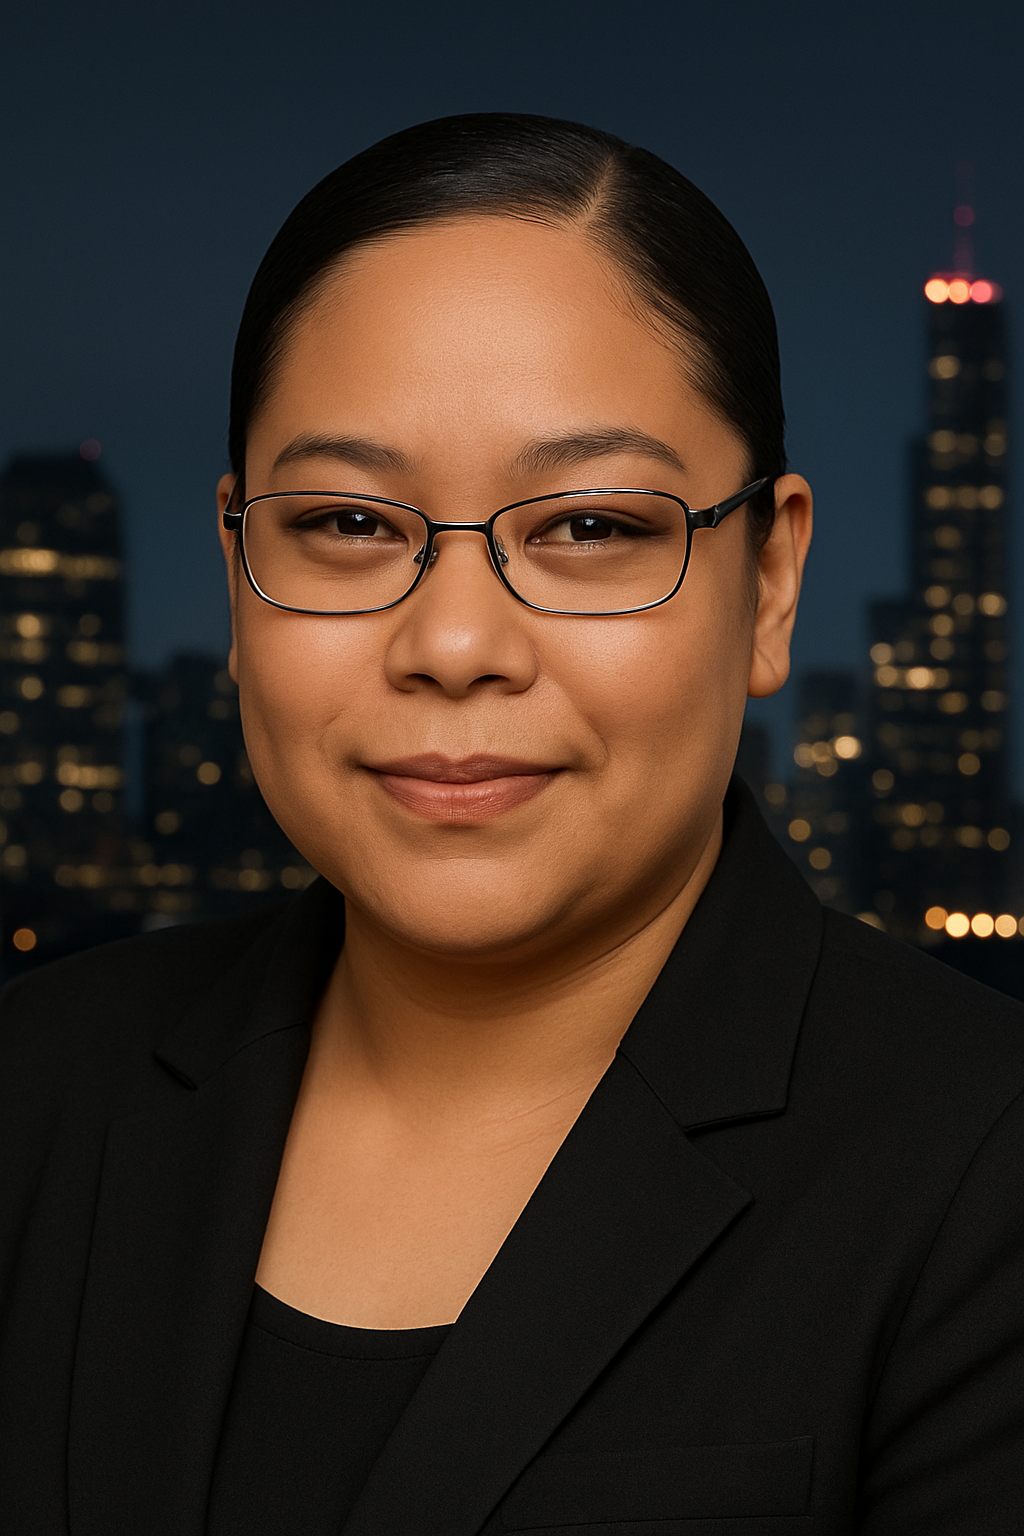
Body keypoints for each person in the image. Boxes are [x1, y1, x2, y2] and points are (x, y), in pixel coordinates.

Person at [1, 113, 1022, 1536]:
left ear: (771, 581)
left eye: (592, 528)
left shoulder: (984, 1165)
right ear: (236, 569)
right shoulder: (31, 1092)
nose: (457, 641)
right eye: (350, 526)